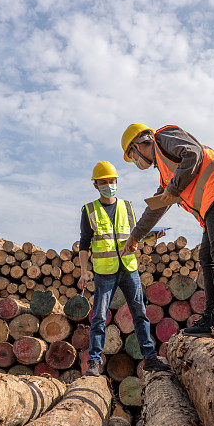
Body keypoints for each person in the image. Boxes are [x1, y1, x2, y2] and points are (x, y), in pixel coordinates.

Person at [121, 124, 214, 340]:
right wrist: (135, 236)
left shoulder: (163, 138)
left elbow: (192, 153)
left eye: (132, 155)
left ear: (138, 145)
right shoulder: (164, 172)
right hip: (213, 199)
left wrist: (173, 188)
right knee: (206, 258)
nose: (135, 161)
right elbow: (155, 209)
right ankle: (210, 318)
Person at [78, 161, 170, 376]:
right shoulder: (89, 210)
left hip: (128, 268)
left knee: (140, 313)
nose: (109, 185)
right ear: (96, 185)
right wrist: (84, 270)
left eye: (112, 181)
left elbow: (136, 234)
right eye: (104, 182)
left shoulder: (126, 207)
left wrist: (155, 234)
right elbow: (84, 244)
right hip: (104, 272)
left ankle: (149, 358)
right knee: (99, 317)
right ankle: (94, 362)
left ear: (116, 182)